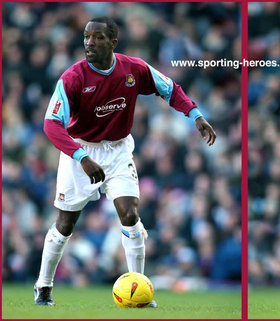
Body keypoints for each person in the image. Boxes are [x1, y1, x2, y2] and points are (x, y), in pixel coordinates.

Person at [34, 16, 216, 307]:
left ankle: (139, 289)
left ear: (113, 42)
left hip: (118, 150)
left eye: (97, 38)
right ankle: (43, 286)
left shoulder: (134, 69)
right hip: (80, 150)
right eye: (86, 37)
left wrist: (195, 115)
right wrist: (81, 157)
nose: (89, 43)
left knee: (130, 214)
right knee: (66, 224)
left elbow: (169, 88)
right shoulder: (73, 78)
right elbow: (51, 125)